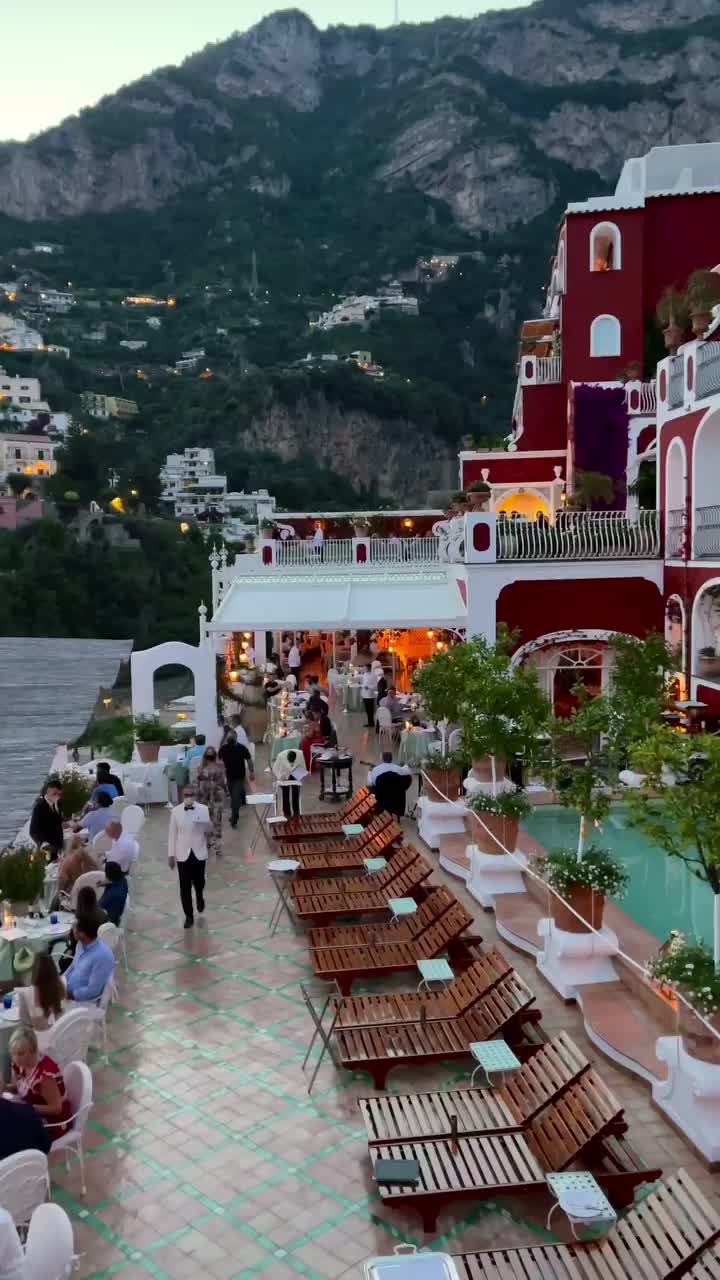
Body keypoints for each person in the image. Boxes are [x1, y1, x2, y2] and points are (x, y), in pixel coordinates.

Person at [4, 1027, 71, 1135]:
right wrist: (5, 1087)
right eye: (13, 1053)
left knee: (10, 1133)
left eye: (20, 1054)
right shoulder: (21, 1065)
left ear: (33, 1051)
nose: (15, 1058)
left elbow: (56, 1108)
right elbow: (21, 1088)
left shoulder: (44, 1076)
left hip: (52, 1122)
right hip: (32, 1111)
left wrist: (27, 1108)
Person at [168, 784, 210, 928]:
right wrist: (171, 855)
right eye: (185, 795)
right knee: (184, 887)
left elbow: (207, 829)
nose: (188, 797)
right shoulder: (175, 811)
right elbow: (172, 834)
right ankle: (189, 916)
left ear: (194, 795)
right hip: (182, 854)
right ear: (181, 796)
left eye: (190, 794)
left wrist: (204, 824)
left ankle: (199, 896)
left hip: (199, 851)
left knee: (199, 882)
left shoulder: (204, 809)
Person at [18, 953, 66, 1045]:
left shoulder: (25, 994)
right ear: (53, 968)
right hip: (61, 1041)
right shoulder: (62, 986)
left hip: (40, 1045)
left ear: (34, 970)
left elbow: (25, 1023)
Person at [64, 917, 115, 1002]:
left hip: (82, 1004)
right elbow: (73, 967)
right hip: (67, 990)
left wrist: (68, 994)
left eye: (73, 928)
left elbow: (93, 991)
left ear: (82, 933)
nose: (72, 931)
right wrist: (61, 981)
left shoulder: (102, 956)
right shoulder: (80, 944)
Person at [219, 730, 255, 827]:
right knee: (233, 796)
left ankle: (234, 818)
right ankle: (235, 814)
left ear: (235, 737)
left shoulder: (242, 748)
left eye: (231, 737)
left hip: (239, 777)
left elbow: (249, 759)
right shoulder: (223, 749)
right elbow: (218, 761)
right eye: (228, 737)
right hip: (229, 777)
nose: (230, 739)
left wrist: (251, 772)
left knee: (235, 797)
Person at [196, 745, 226, 858]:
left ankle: (214, 845)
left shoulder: (201, 768)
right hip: (209, 798)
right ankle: (212, 844)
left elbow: (197, 784)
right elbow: (223, 782)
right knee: (212, 821)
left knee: (212, 821)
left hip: (210, 798)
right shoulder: (219, 766)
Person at [29, 780, 64, 860]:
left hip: (57, 846)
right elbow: (32, 830)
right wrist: (42, 842)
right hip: (46, 848)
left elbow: (57, 820)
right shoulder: (39, 807)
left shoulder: (58, 803)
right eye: (54, 794)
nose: (57, 796)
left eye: (59, 794)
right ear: (47, 792)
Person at [272, 748, 304, 818]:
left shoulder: (300, 754)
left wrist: (300, 776)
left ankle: (296, 810)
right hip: (283, 773)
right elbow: (275, 768)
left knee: (296, 791)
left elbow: (302, 765)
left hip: (295, 772)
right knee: (285, 792)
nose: (291, 764)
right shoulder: (281, 756)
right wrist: (280, 778)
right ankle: (287, 812)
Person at [99, 861, 129, 926]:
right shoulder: (123, 880)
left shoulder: (111, 896)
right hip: (115, 914)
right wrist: (108, 883)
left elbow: (100, 907)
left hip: (108, 922)